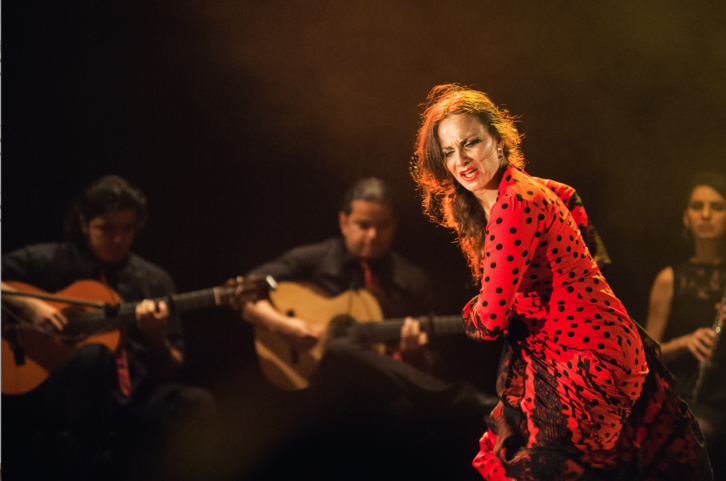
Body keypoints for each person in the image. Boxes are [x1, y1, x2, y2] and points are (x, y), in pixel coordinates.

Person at [411, 84, 712, 480]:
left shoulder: (514, 203)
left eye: (471, 143)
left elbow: (489, 321)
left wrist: (475, 313)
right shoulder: (545, 190)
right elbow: (586, 238)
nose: (461, 159)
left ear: (498, 142)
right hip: (583, 350)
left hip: (584, 362)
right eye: (449, 151)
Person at [237, 177, 495, 480]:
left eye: (382, 226)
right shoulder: (315, 258)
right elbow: (245, 290)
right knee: (338, 348)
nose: (372, 235)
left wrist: (414, 354)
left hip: (379, 394)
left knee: (403, 413)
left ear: (395, 225)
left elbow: (429, 366)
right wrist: (286, 325)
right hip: (318, 386)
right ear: (343, 222)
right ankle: (464, 402)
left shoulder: (414, 281)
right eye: (362, 225)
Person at [2, 175, 217, 481]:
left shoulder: (153, 281)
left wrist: (157, 340)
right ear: (83, 223)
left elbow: (171, 368)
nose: (118, 239)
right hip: (65, 396)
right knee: (94, 355)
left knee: (197, 403)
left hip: (131, 398)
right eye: (106, 228)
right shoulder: (50, 259)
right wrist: (29, 305)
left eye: (127, 229)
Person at [646, 172, 726, 479]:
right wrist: (686, 342)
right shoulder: (670, 278)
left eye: (717, 207)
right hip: (683, 399)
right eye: (698, 206)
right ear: (686, 217)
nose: (706, 214)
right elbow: (647, 356)